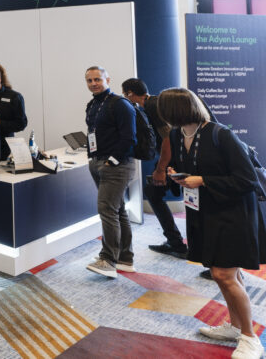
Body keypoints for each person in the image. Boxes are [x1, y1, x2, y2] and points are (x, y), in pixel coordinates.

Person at [162, 87, 266, 358]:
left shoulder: (221, 134)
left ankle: (250, 338)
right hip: (203, 212)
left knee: (223, 274)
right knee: (227, 274)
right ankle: (235, 326)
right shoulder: (176, 134)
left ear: (176, 111)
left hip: (233, 213)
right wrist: (179, 174)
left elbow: (247, 180)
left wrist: (203, 180)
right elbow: (192, 168)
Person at [121, 78, 186, 258]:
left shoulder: (152, 106)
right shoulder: (154, 103)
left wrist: (161, 169)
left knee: (154, 193)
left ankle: (177, 244)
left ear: (130, 93)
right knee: (153, 193)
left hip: (175, 161)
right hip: (176, 159)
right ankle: (175, 242)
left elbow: (167, 138)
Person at [83, 66, 137, 279]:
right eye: (89, 80)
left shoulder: (120, 104)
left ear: (108, 79)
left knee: (107, 210)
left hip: (117, 165)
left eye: (97, 79)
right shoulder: (93, 103)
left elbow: (129, 138)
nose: (94, 83)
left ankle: (108, 260)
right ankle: (126, 259)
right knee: (118, 210)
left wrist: (111, 161)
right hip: (98, 162)